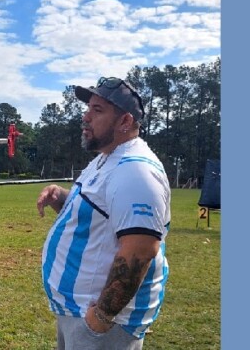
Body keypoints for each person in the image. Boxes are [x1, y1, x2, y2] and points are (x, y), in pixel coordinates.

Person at [36, 76, 171, 349]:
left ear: (125, 122)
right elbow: (102, 216)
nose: (86, 117)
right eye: (88, 109)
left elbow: (140, 251)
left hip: (102, 324)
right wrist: (61, 198)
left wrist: (100, 319)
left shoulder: (135, 171)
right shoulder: (107, 159)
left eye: (97, 110)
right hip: (79, 313)